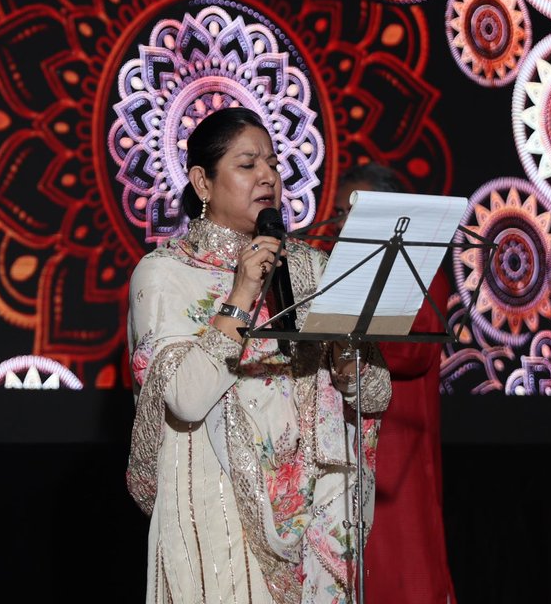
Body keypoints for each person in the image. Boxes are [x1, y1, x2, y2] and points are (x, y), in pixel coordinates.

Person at [126, 107, 392, 604]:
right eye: (247, 165)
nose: (267, 176)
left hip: (319, 511)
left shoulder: (313, 267)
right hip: (220, 509)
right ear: (202, 182)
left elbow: (376, 392)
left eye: (272, 163)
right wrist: (242, 293)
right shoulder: (166, 275)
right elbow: (184, 399)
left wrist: (341, 353)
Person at [332, 162, 457, 604]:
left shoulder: (419, 272)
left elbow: (413, 350)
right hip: (338, 459)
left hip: (395, 462)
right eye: (339, 213)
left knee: (402, 580)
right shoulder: (331, 279)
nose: (343, 223)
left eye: (357, 211)